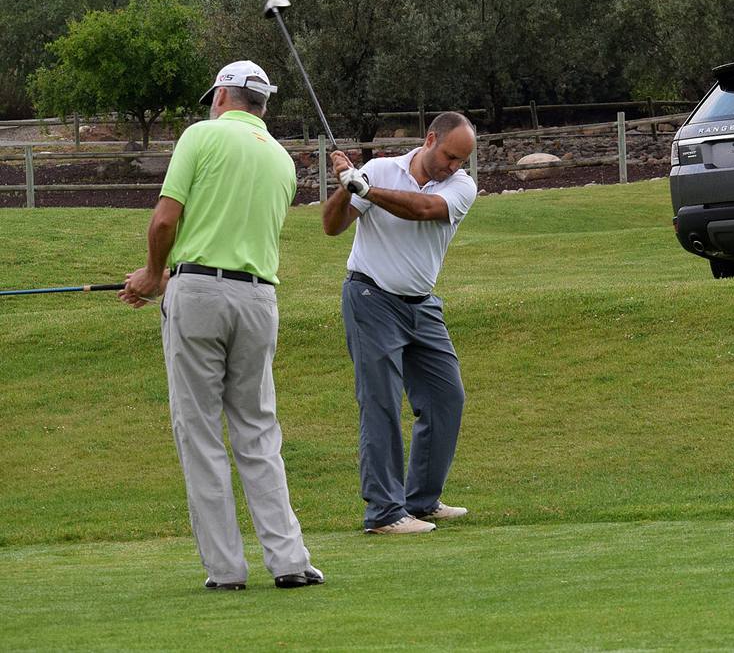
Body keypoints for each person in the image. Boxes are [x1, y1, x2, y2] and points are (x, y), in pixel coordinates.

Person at [119, 60, 323, 591]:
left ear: (222, 97)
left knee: (201, 431)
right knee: (258, 430)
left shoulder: (201, 136)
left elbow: (166, 219)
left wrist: (152, 273)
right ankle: (290, 561)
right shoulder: (282, 159)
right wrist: (166, 275)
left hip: (198, 294)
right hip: (258, 300)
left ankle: (227, 571)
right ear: (262, 104)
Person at [322, 111, 478, 535]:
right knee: (381, 403)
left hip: (422, 305)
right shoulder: (378, 170)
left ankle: (421, 501)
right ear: (430, 140)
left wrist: (367, 190)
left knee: (447, 398)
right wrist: (346, 187)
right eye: (449, 156)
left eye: (460, 160)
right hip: (370, 296)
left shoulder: (461, 187)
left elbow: (423, 210)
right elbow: (331, 226)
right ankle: (385, 513)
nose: (453, 166)